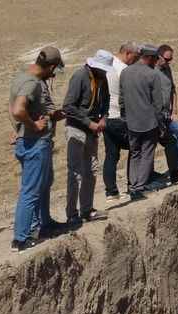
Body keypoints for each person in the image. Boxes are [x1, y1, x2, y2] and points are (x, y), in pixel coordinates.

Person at [8, 46, 65, 252]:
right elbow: (18, 109)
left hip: (33, 141)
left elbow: (14, 108)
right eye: (55, 70)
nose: (54, 74)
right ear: (50, 66)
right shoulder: (31, 83)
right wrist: (33, 126)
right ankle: (21, 238)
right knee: (31, 190)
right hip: (35, 143)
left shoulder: (21, 77)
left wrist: (20, 128)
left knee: (43, 183)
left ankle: (44, 224)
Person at [62, 49, 113, 225]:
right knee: (75, 173)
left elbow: (106, 100)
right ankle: (71, 214)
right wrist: (88, 122)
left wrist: (103, 118)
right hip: (77, 128)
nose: (105, 72)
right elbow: (68, 106)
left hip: (93, 129)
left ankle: (87, 209)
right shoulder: (80, 76)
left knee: (91, 171)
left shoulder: (101, 78)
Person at [119, 45, 165, 200]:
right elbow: (158, 104)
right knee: (147, 154)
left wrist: (125, 118)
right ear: (150, 58)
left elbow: (121, 100)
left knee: (134, 153)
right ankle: (140, 187)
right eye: (155, 59)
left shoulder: (125, 72)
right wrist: (161, 124)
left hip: (131, 122)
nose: (156, 62)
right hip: (149, 122)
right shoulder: (152, 75)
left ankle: (132, 186)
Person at [103, 42, 140, 202]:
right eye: (135, 57)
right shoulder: (123, 70)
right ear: (127, 53)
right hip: (119, 116)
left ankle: (111, 191)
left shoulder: (105, 65)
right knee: (136, 148)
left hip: (105, 117)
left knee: (111, 155)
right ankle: (134, 186)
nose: (135, 61)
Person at [157, 44, 178, 170]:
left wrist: (174, 109)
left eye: (170, 59)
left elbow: (173, 89)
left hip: (167, 114)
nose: (168, 62)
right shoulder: (152, 71)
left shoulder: (167, 70)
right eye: (166, 59)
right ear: (158, 56)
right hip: (156, 116)